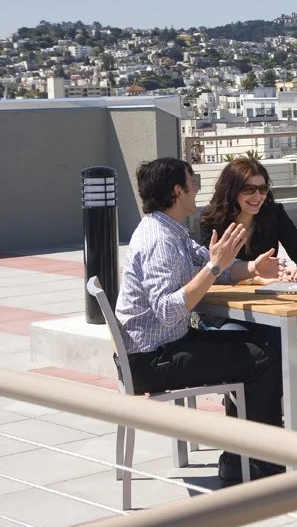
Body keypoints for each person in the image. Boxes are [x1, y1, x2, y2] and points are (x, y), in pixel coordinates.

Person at [115, 157, 284, 484]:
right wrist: (215, 268)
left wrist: (251, 269)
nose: (197, 191)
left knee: (263, 347)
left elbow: (210, 263)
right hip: (153, 360)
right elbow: (167, 309)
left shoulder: (171, 231)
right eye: (194, 184)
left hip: (168, 345)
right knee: (261, 358)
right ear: (178, 191)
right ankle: (246, 458)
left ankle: (252, 455)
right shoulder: (159, 240)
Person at [198, 157, 297, 284]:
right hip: (226, 299)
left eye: (263, 189)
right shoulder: (212, 221)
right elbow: (211, 272)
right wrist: (256, 279)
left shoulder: (274, 213)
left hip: (270, 294)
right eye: (249, 189)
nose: (257, 196)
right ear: (231, 191)